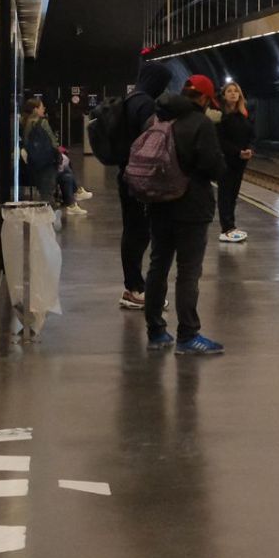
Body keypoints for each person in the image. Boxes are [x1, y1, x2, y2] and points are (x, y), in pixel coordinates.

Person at [139, 74, 226, 354]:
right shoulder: (201, 124)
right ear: (202, 98)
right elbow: (214, 168)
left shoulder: (156, 119)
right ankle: (188, 336)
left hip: (158, 204)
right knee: (188, 273)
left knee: (157, 267)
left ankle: (156, 333)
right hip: (191, 208)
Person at [114, 64, 172, 310]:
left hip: (126, 173)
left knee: (133, 230)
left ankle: (133, 285)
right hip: (139, 176)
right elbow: (151, 142)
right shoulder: (145, 104)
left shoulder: (130, 99)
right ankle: (134, 288)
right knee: (139, 232)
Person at [216, 81, 255, 243]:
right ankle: (226, 228)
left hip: (240, 161)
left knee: (233, 195)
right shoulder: (220, 116)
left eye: (236, 91)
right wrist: (237, 151)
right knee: (225, 194)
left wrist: (249, 149)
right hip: (226, 160)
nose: (233, 94)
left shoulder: (244, 115)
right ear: (224, 95)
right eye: (229, 91)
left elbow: (251, 135)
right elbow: (220, 139)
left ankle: (231, 226)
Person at [20, 97, 60, 205]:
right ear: (35, 110)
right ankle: (71, 199)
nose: (44, 108)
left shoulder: (24, 123)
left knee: (47, 188)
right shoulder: (43, 123)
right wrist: (58, 155)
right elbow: (53, 142)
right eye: (42, 107)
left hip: (34, 162)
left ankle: (72, 196)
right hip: (47, 161)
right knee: (48, 192)